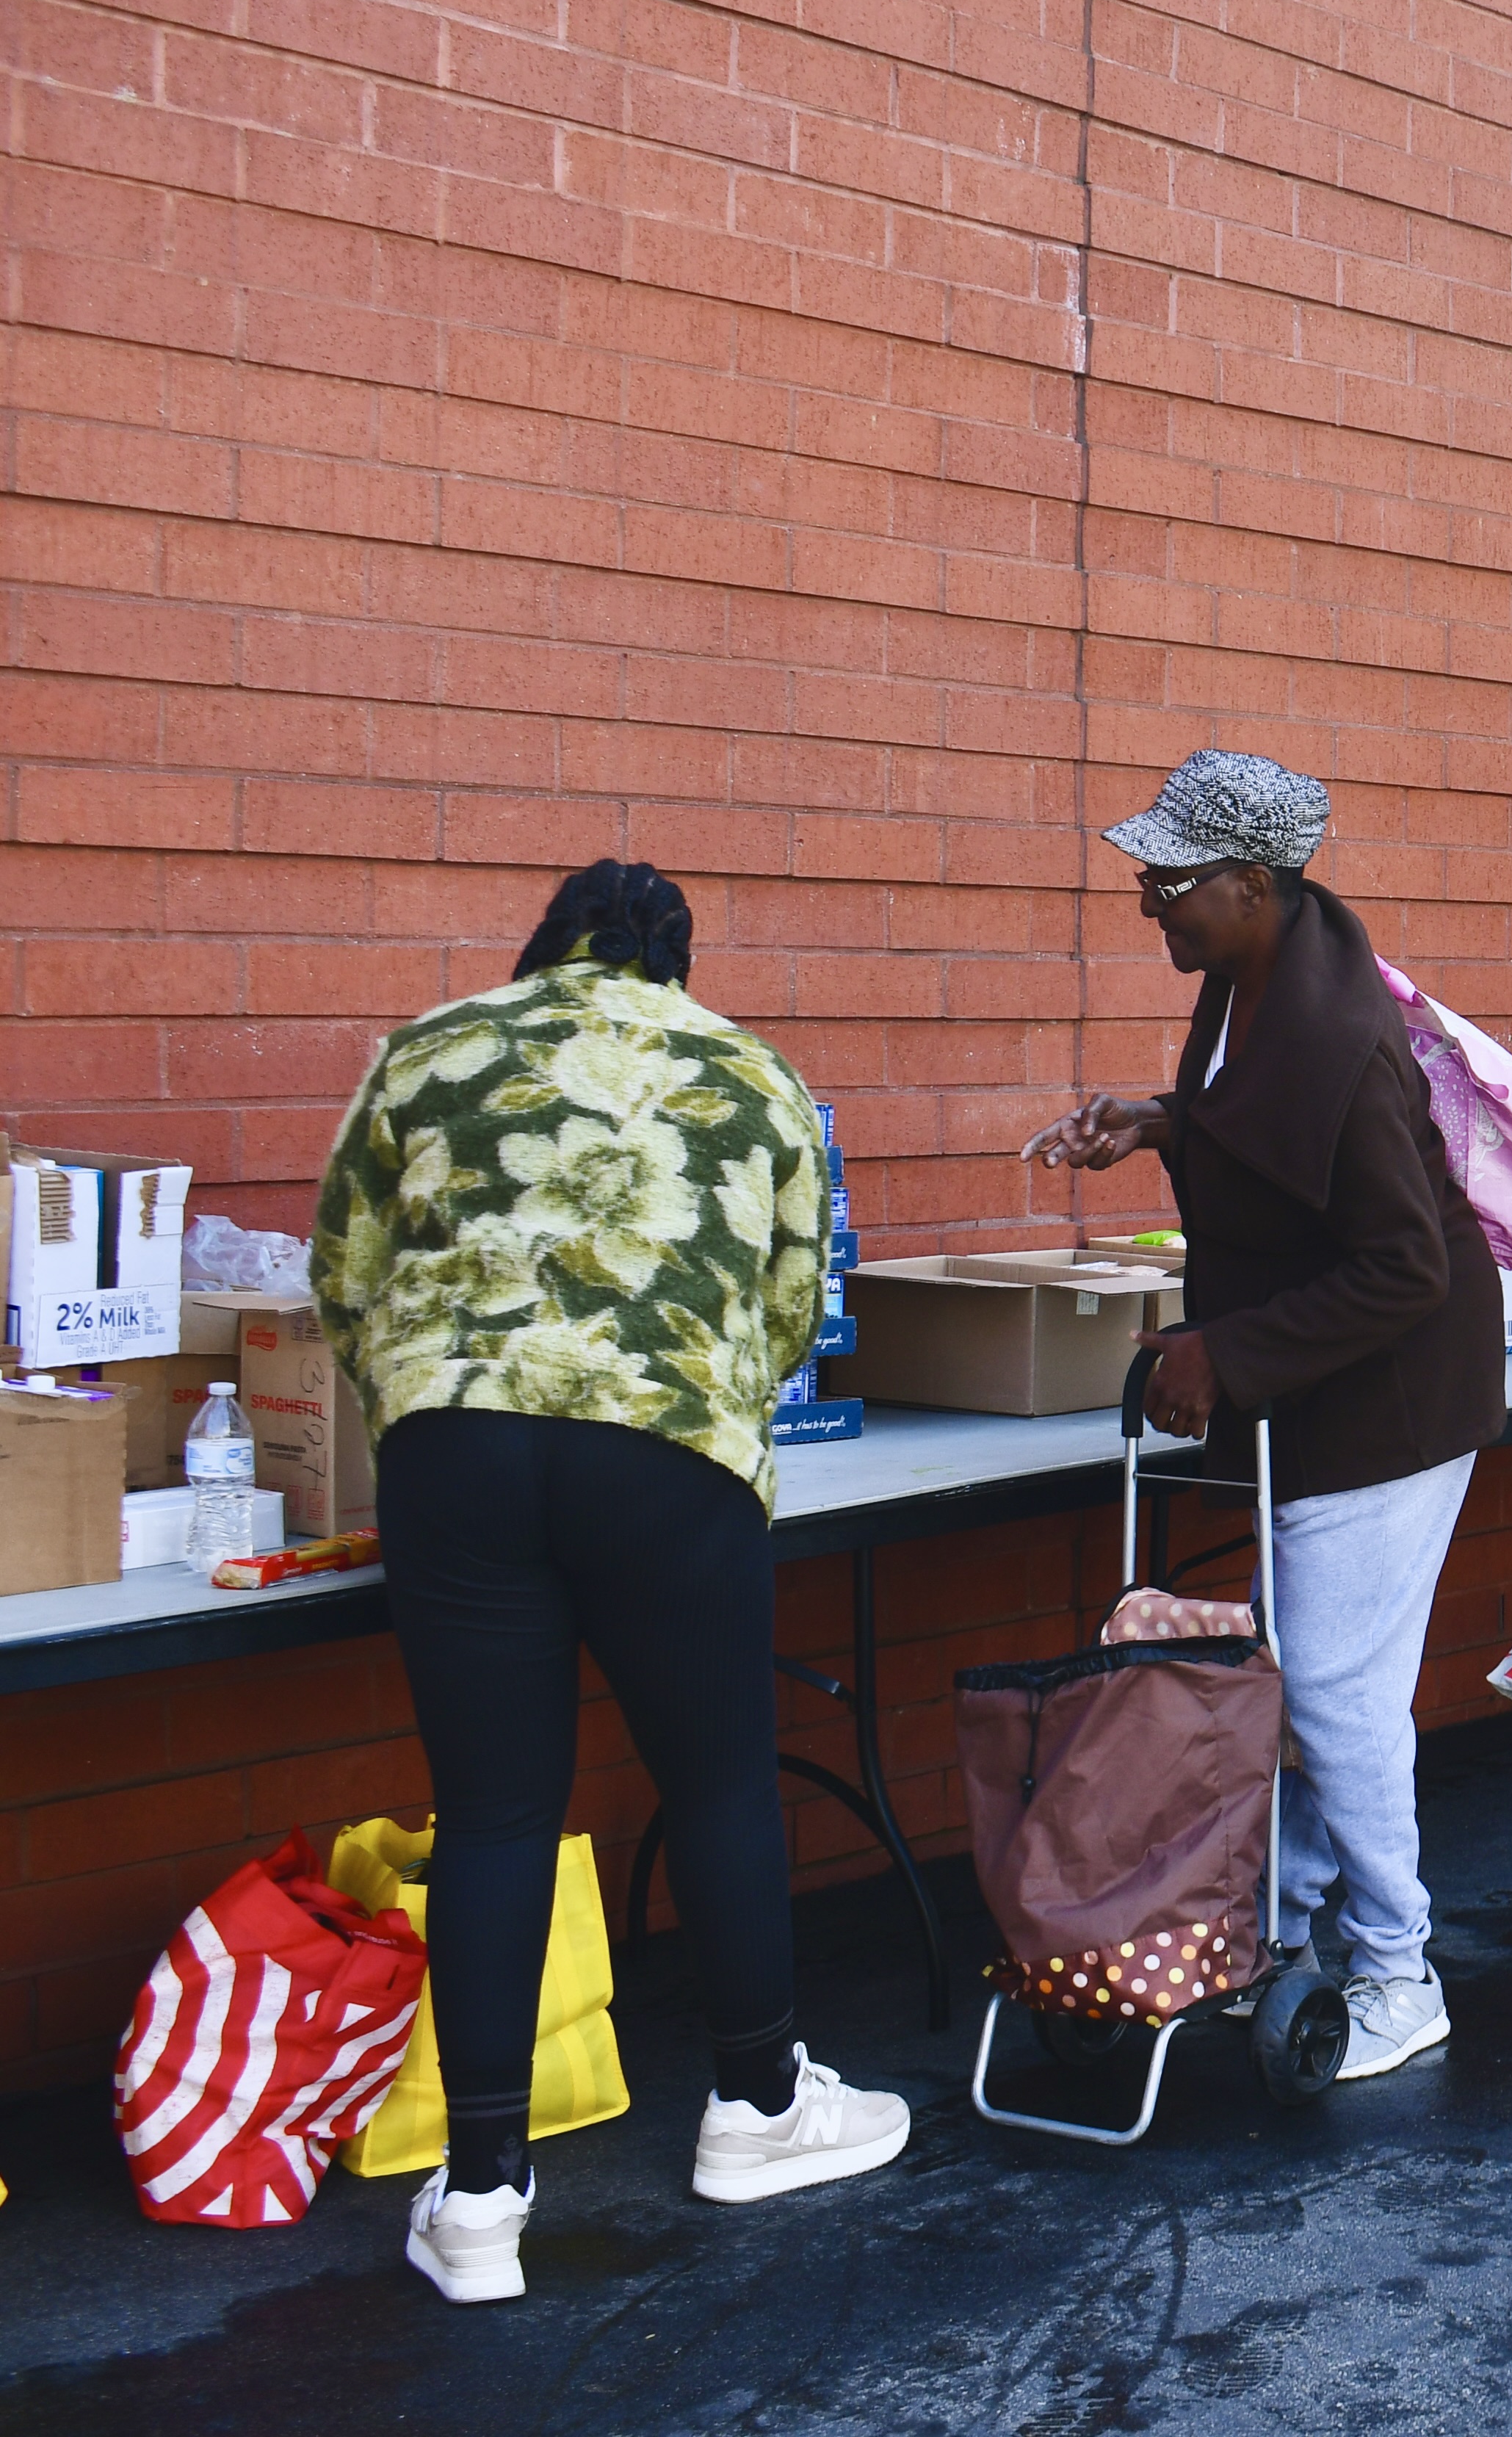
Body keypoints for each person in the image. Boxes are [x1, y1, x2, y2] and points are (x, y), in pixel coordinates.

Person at [314, 861, 909, 2306]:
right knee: (717, 1785)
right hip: (664, 1446)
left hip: (454, 1447)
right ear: (675, 964)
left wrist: (424, 1400)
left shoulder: (429, 1047)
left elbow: (343, 1270)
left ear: (546, 947)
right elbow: (788, 1307)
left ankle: (478, 2195)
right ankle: (757, 2105)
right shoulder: (752, 1070)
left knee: (494, 1810)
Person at [1025, 748, 1507, 2082]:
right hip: (1332, 1395)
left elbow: (1404, 1265)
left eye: (1168, 883)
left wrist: (1227, 1354)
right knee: (1292, 1675)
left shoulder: (1336, 1039)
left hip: (1391, 1402)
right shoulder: (1256, 981)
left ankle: (1399, 1971)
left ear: (1251, 883)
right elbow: (1264, 1134)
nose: (1148, 903)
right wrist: (1162, 1125)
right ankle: (1277, 1932)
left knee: (1338, 1692)